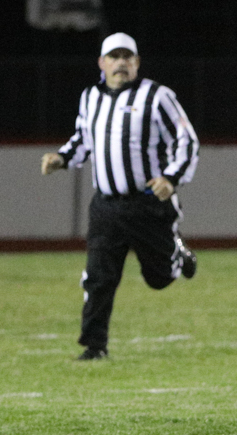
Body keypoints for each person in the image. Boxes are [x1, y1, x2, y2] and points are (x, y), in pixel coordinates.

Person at [40, 32, 199, 361]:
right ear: (102, 63)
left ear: (137, 63)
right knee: (98, 276)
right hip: (107, 205)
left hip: (147, 203)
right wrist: (63, 157)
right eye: (114, 56)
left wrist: (171, 178)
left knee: (158, 279)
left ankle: (177, 254)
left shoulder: (157, 96)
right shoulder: (90, 97)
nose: (121, 63)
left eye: (128, 57)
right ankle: (94, 346)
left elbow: (187, 141)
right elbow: (84, 137)